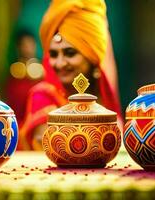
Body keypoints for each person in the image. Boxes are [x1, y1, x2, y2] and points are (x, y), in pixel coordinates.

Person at [20, 0, 123, 150]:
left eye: (70, 53)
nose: (60, 63)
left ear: (93, 58)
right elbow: (50, 147)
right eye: (54, 54)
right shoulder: (43, 95)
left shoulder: (104, 99)